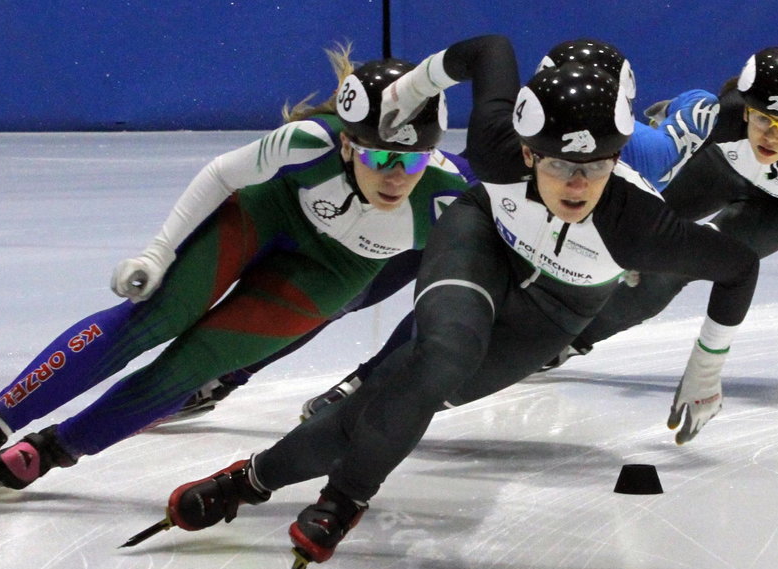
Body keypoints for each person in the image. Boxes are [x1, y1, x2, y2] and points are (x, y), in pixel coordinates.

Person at [142, 35, 759, 569]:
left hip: (562, 304)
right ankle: (343, 500)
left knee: (402, 389)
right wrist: (417, 84)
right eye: (558, 165)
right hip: (482, 239)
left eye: (596, 166)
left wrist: (707, 364)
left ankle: (249, 480)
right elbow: (490, 48)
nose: (577, 185)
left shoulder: (640, 226)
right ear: (523, 151)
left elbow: (739, 266)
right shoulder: (494, 146)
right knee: (441, 358)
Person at [0, 47, 473, 496]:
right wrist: (156, 255)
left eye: (413, 160)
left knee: (193, 366)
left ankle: (55, 449)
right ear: (348, 143)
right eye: (379, 158)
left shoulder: (447, 198)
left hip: (335, 271)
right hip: (267, 213)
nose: (396, 176)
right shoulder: (309, 143)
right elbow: (220, 174)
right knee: (158, 316)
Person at [158, 37, 717, 424]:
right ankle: (239, 373)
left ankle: (361, 383)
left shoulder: (643, 151)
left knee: (433, 315)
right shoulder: (605, 141)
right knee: (350, 292)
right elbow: (696, 116)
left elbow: (691, 125)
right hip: (465, 210)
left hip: (522, 246)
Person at [546, 46, 778, 382]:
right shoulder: (724, 116)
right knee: (633, 220)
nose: (772, 137)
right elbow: (691, 110)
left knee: (672, 268)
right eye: (763, 119)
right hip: (727, 167)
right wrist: (678, 129)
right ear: (745, 111)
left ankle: (567, 343)